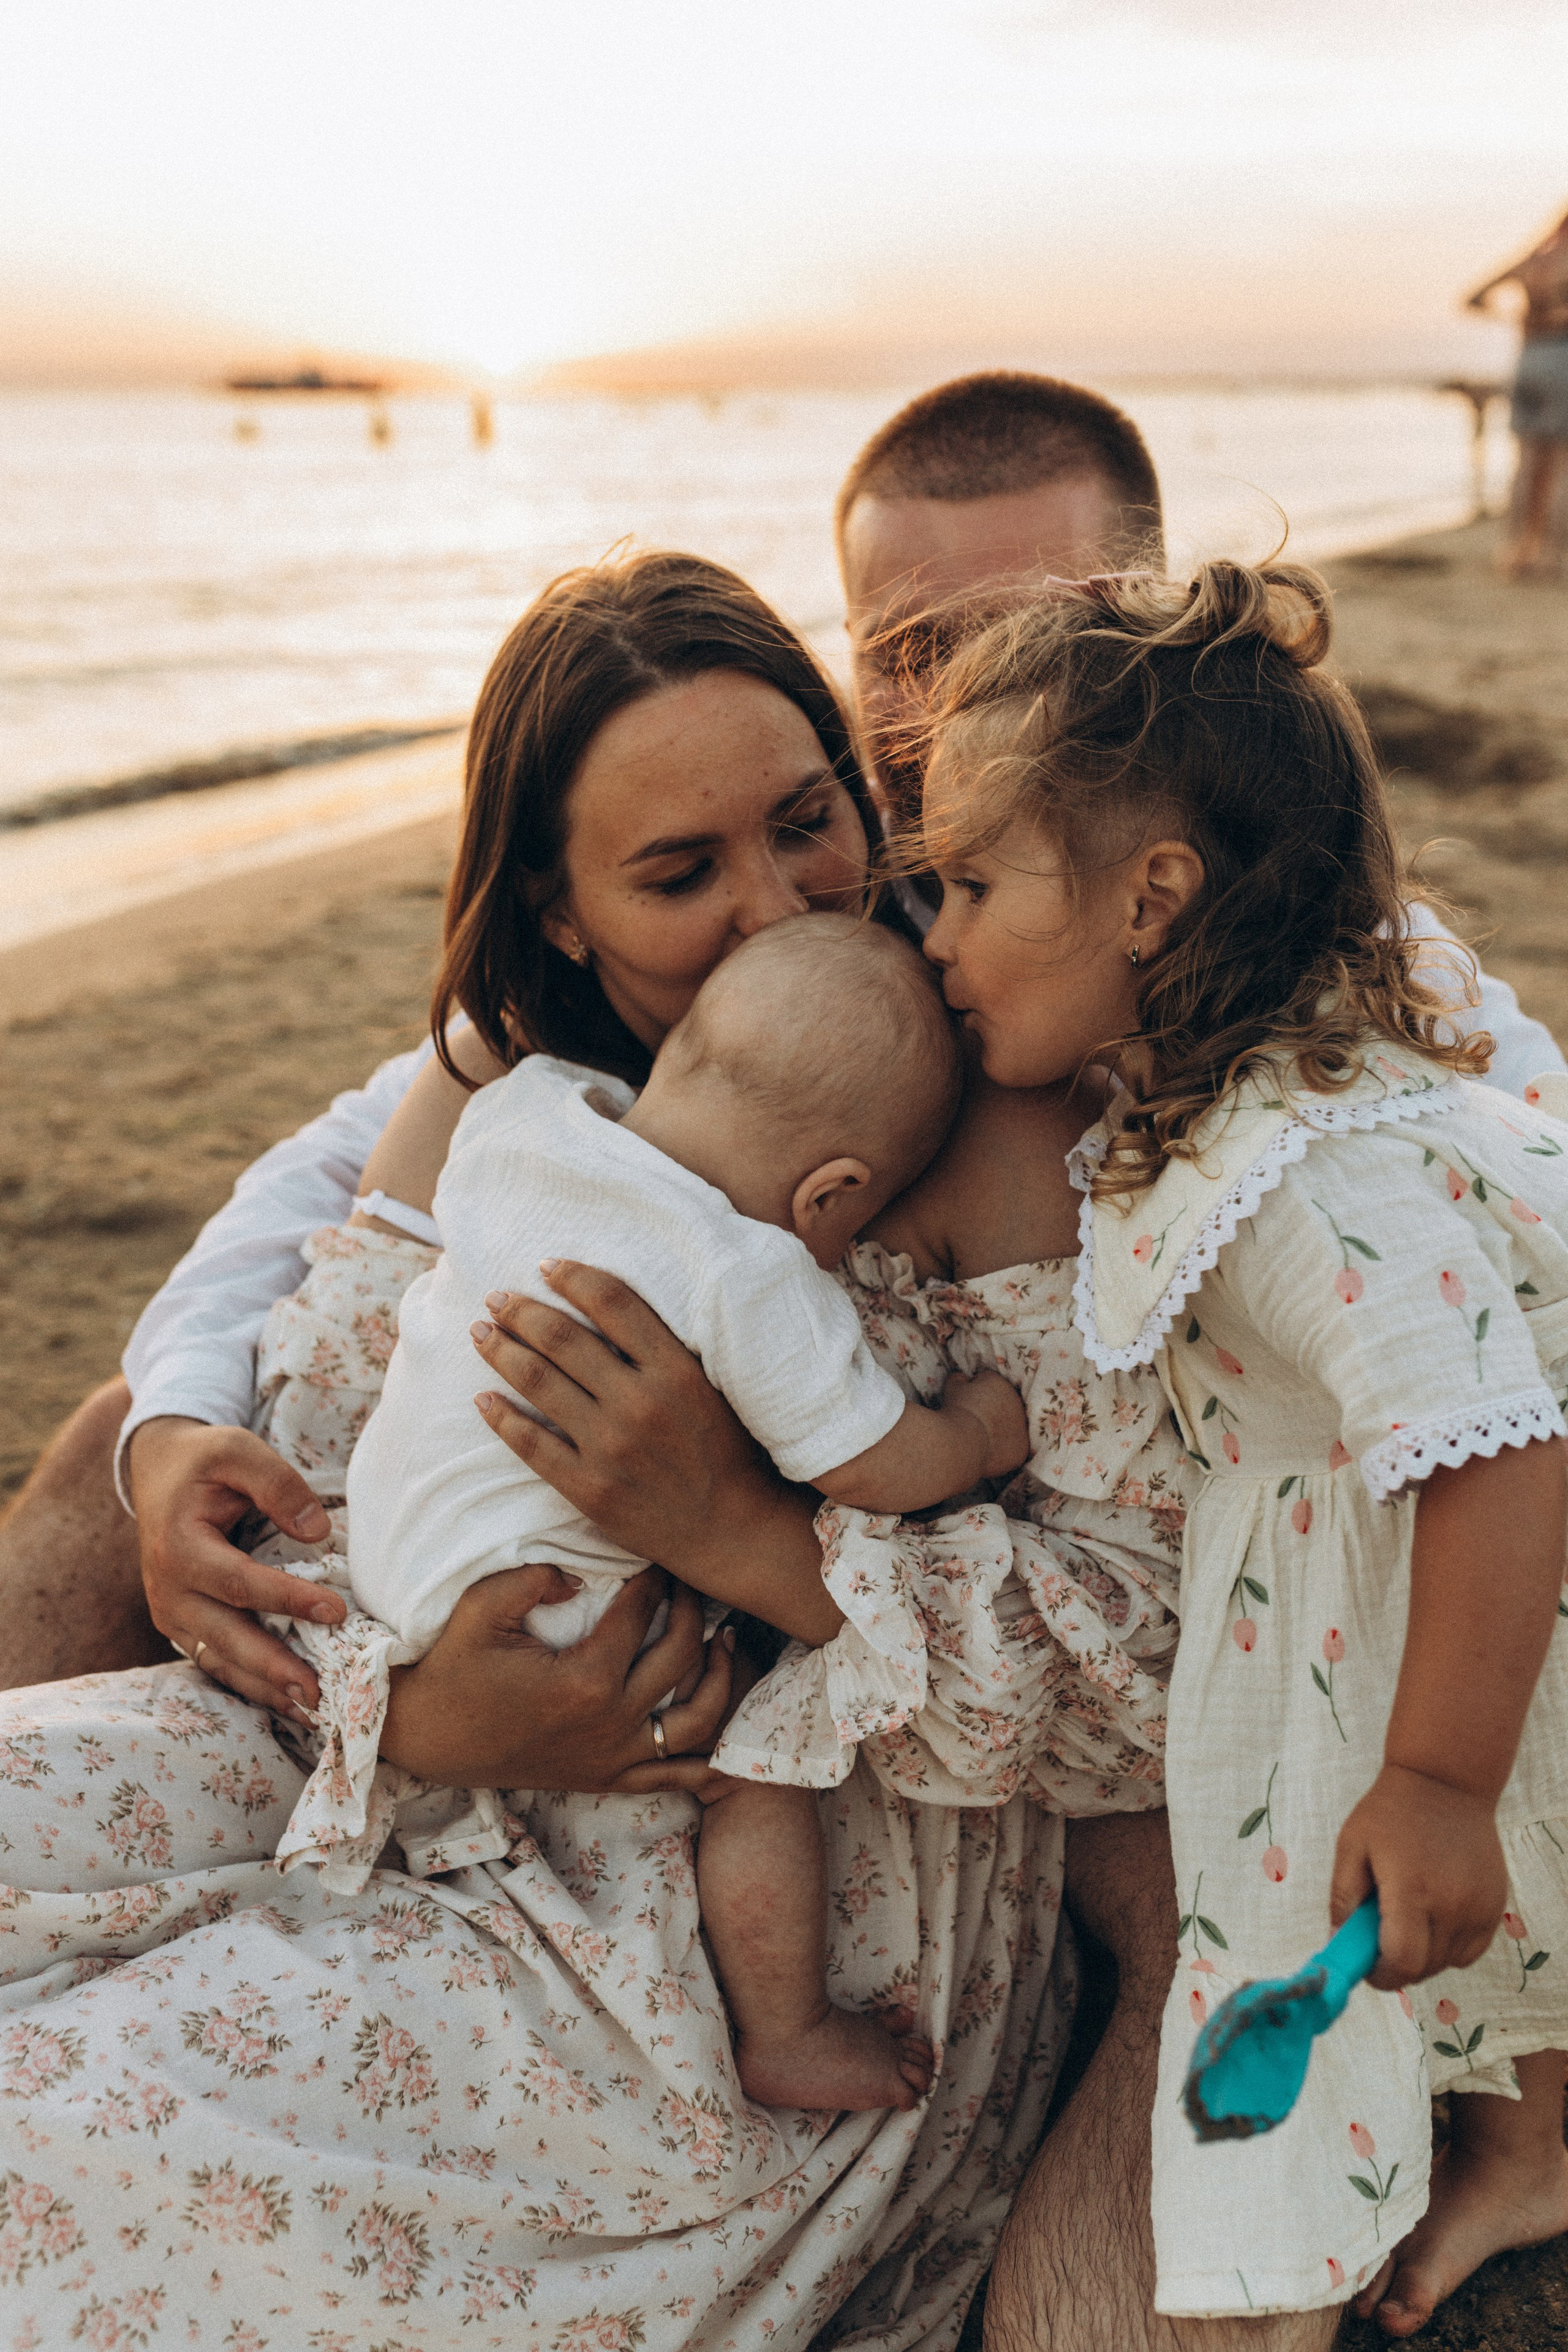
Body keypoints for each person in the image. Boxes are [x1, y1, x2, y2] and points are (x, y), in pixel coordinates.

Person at [0, 557, 1077, 2351]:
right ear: (561, 916)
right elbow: (306, 1328)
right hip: (380, 1714)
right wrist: (403, 1707)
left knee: (69, 2135)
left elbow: (1093, 1628)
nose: (770, 909)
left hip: (748, 1847)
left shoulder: (973, 1086)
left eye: (808, 821)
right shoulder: (521, 1092)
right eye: (677, 872)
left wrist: (727, 1526)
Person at [911, 556, 1568, 2339]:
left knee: (1322, 1937)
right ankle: (1538, 2134)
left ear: (1151, 897)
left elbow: (1498, 1449)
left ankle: (1256, 2275)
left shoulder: (1303, 1164)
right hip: (1377, 1580)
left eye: (970, 884)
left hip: (1472, 1590)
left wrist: (1432, 1772)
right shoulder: (1211, 1105)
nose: (937, 936)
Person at [339, 914, 1019, 2114]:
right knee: (758, 1757)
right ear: (833, 1196)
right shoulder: (745, 1270)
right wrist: (971, 1431)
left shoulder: (528, 1113)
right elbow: (866, 1461)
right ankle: (788, 2028)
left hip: (390, 1553)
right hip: (550, 1616)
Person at [1468, 206, 1568, 578]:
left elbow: (1474, 298)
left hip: (1526, 360)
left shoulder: (1533, 261)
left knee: (1526, 462)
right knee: (1558, 464)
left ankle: (1514, 553)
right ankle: (1550, 557)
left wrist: (1518, 318)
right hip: (1561, 360)